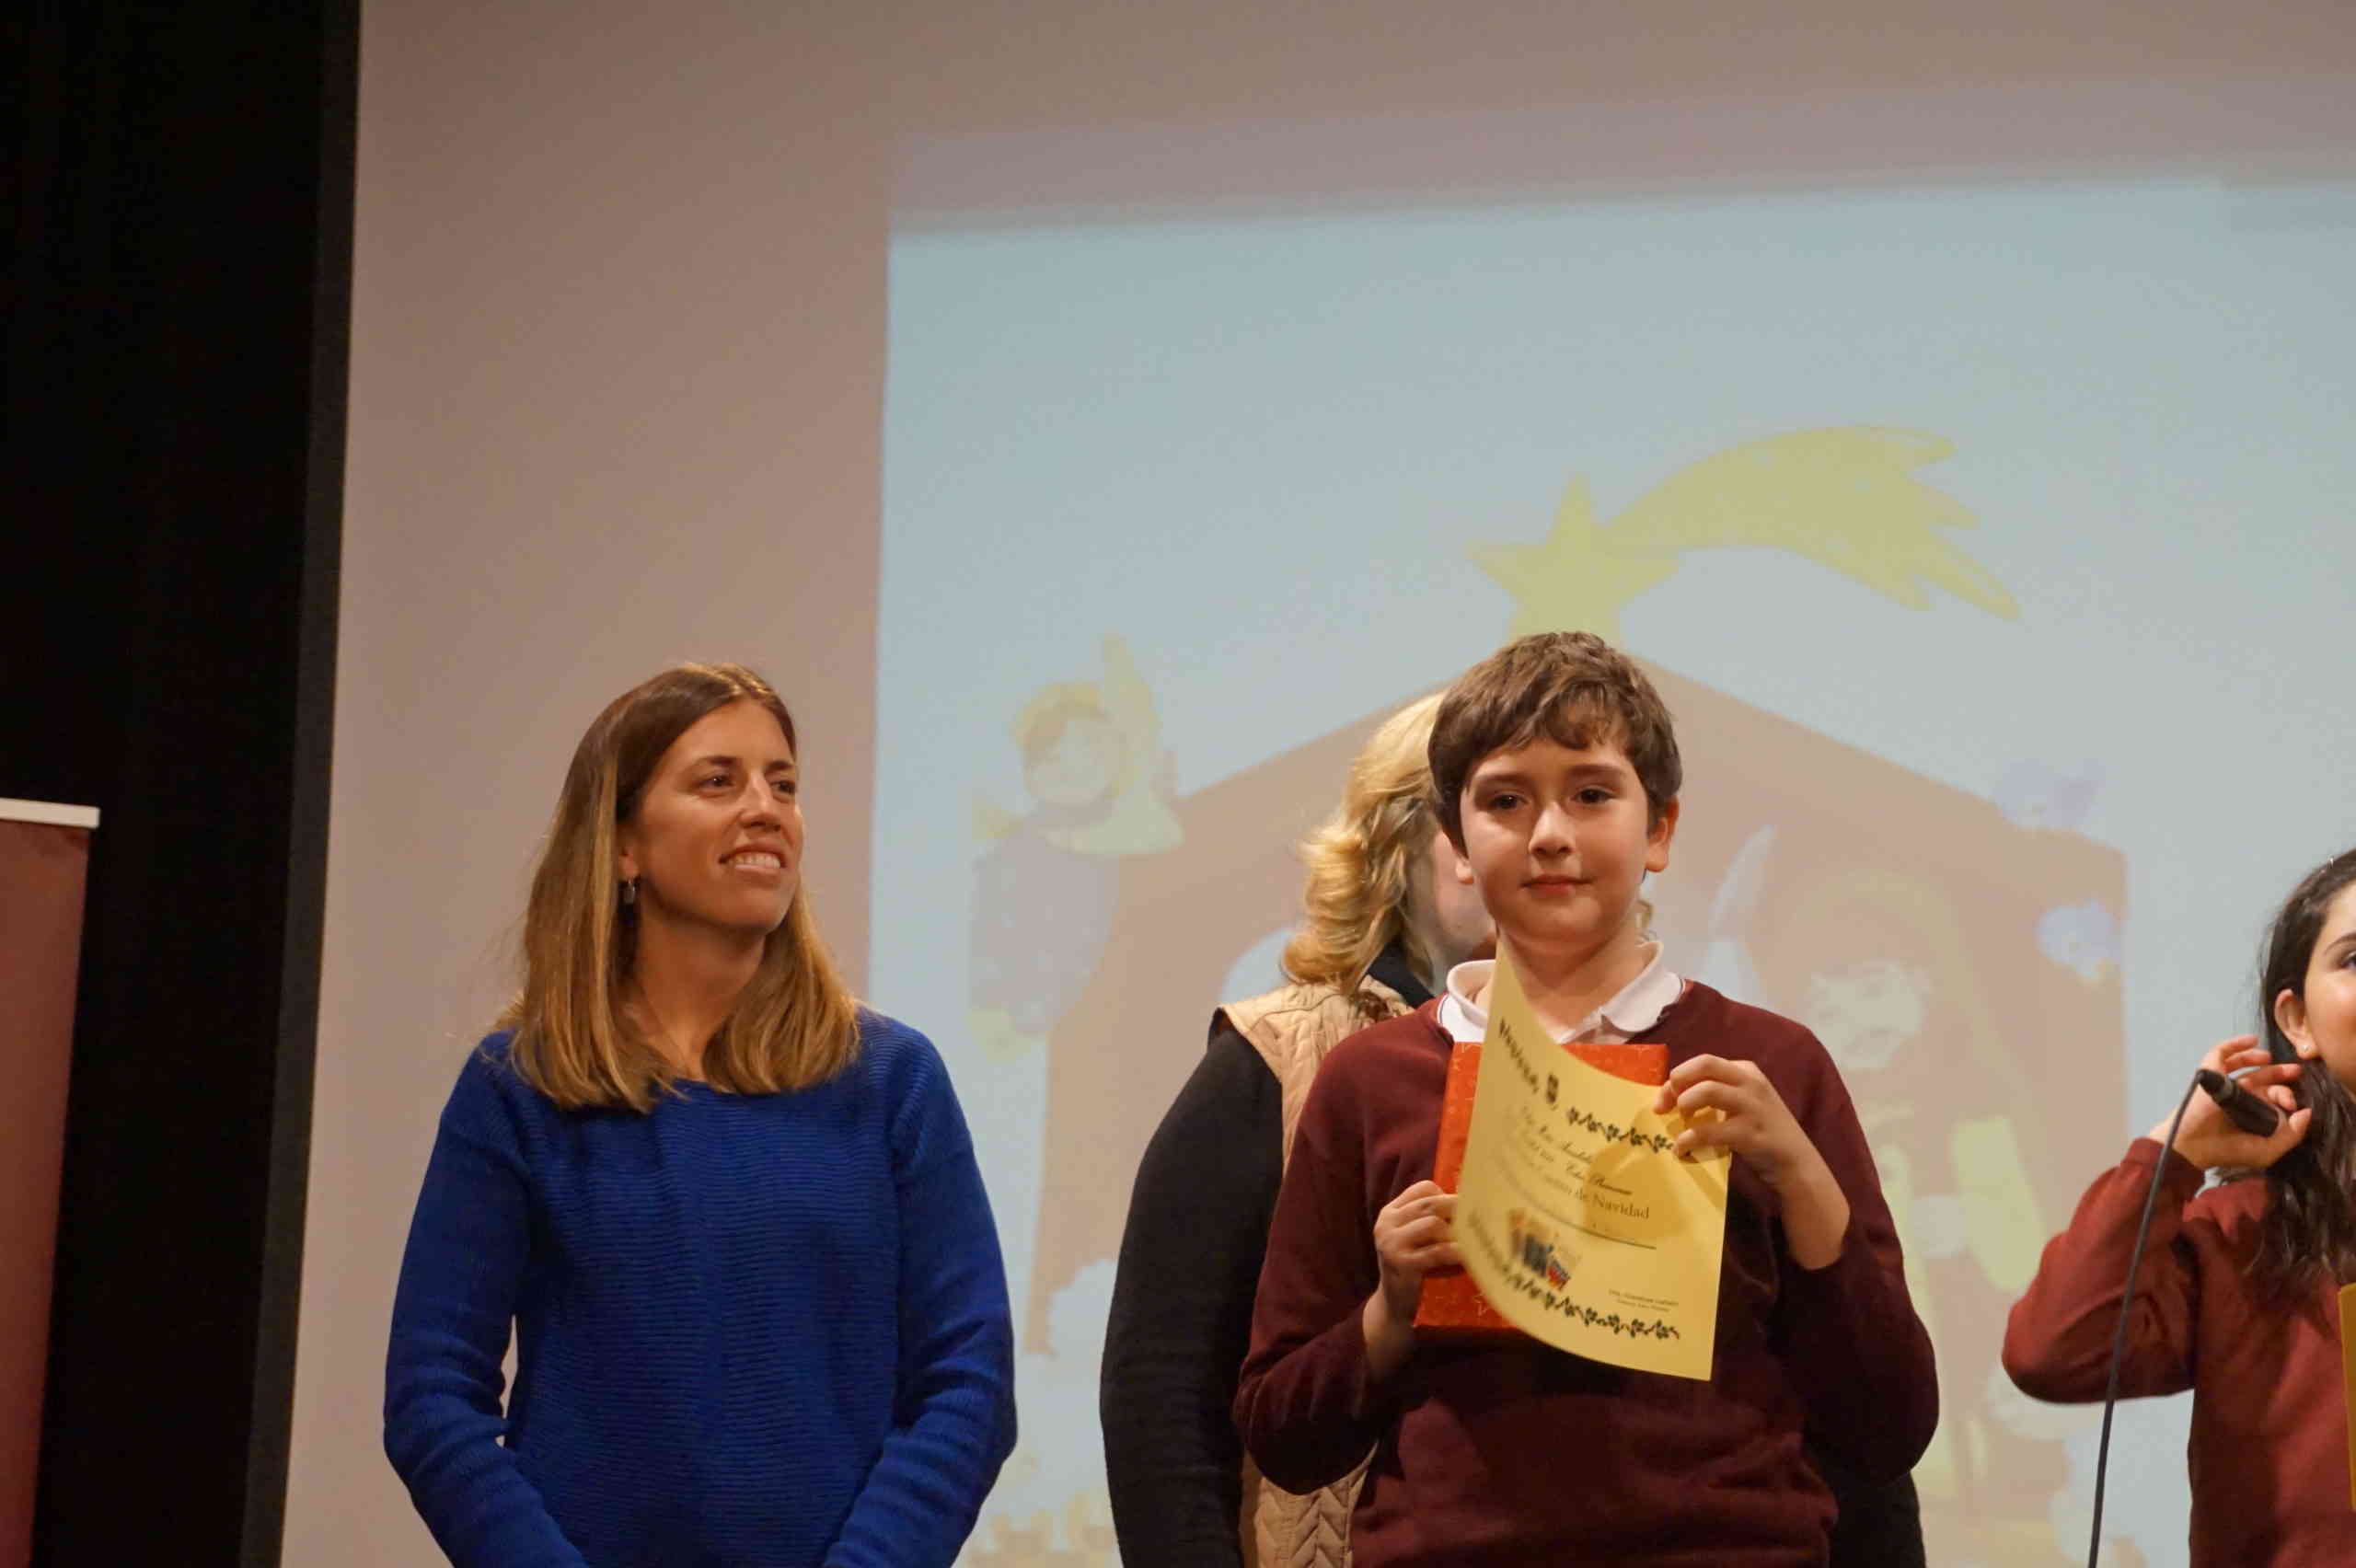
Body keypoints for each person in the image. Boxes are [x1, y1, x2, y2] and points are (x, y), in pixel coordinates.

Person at [1233, 632, 1938, 1566]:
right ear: (1457, 843)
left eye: (1592, 795)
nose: (1550, 835)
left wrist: (1801, 1178)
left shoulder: (1770, 1066)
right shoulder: (1371, 1080)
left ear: (1660, 831)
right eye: (1505, 801)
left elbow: (1888, 1427)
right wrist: (1391, 1310)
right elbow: (1284, 1438)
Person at [384, 663, 1016, 1568]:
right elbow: (432, 1398)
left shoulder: (891, 1081)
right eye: (719, 781)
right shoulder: (520, 1086)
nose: (765, 809)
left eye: (783, 784)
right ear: (623, 846)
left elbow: (968, 1386)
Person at [1101, 694, 1492, 1568]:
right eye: (1484, 809)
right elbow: (1162, 1389)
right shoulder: (1272, 1058)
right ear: (1395, 847)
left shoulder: (1654, 1056)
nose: (1528, 842)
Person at [2004, 847, 2356, 1564]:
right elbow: (2055, 1351)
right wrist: (2170, 1158)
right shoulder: (2245, 1231)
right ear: (2298, 1020)